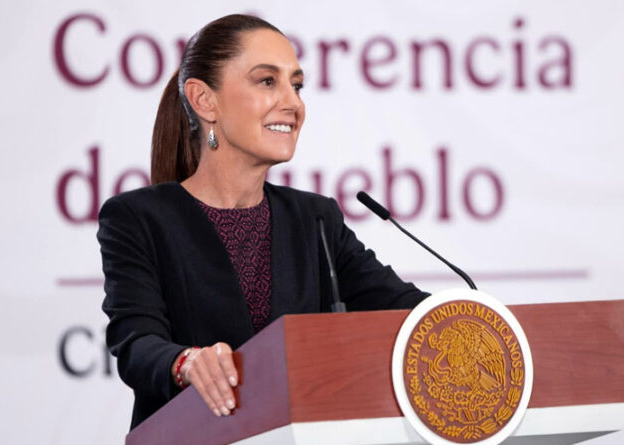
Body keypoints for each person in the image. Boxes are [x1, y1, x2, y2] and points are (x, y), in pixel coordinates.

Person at [97, 14, 427, 430]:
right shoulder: (138, 218)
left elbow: (408, 310)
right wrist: (187, 362)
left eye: (297, 85)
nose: (293, 103)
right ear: (204, 100)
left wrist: (478, 320)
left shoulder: (316, 219)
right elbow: (136, 342)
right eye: (268, 81)